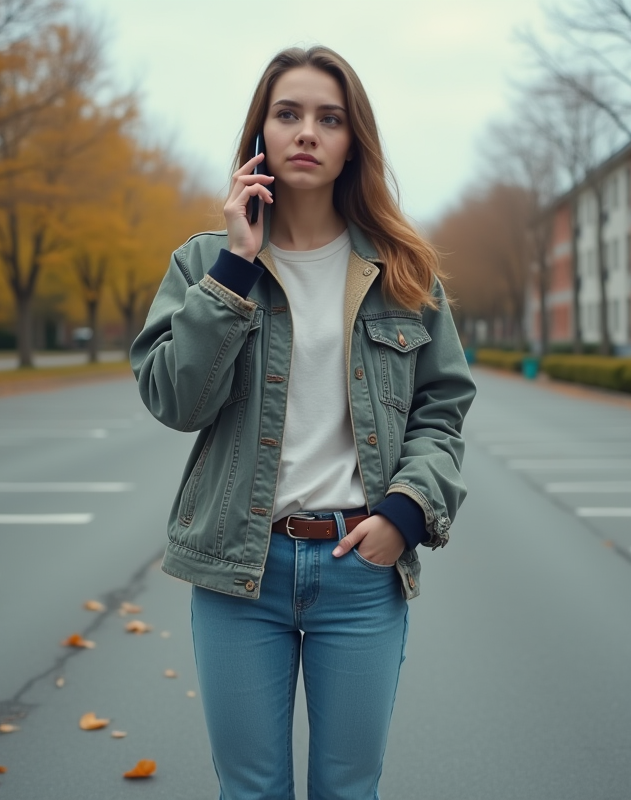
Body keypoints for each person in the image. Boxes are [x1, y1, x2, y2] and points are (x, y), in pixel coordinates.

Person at [130, 45, 476, 800]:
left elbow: (442, 410)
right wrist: (235, 270)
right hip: (238, 570)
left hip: (360, 566)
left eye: (330, 118)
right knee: (251, 790)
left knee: (348, 791)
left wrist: (407, 513)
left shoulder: (404, 270)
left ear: (355, 141)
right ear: (260, 134)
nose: (307, 133)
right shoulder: (205, 263)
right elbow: (173, 400)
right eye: (288, 114)